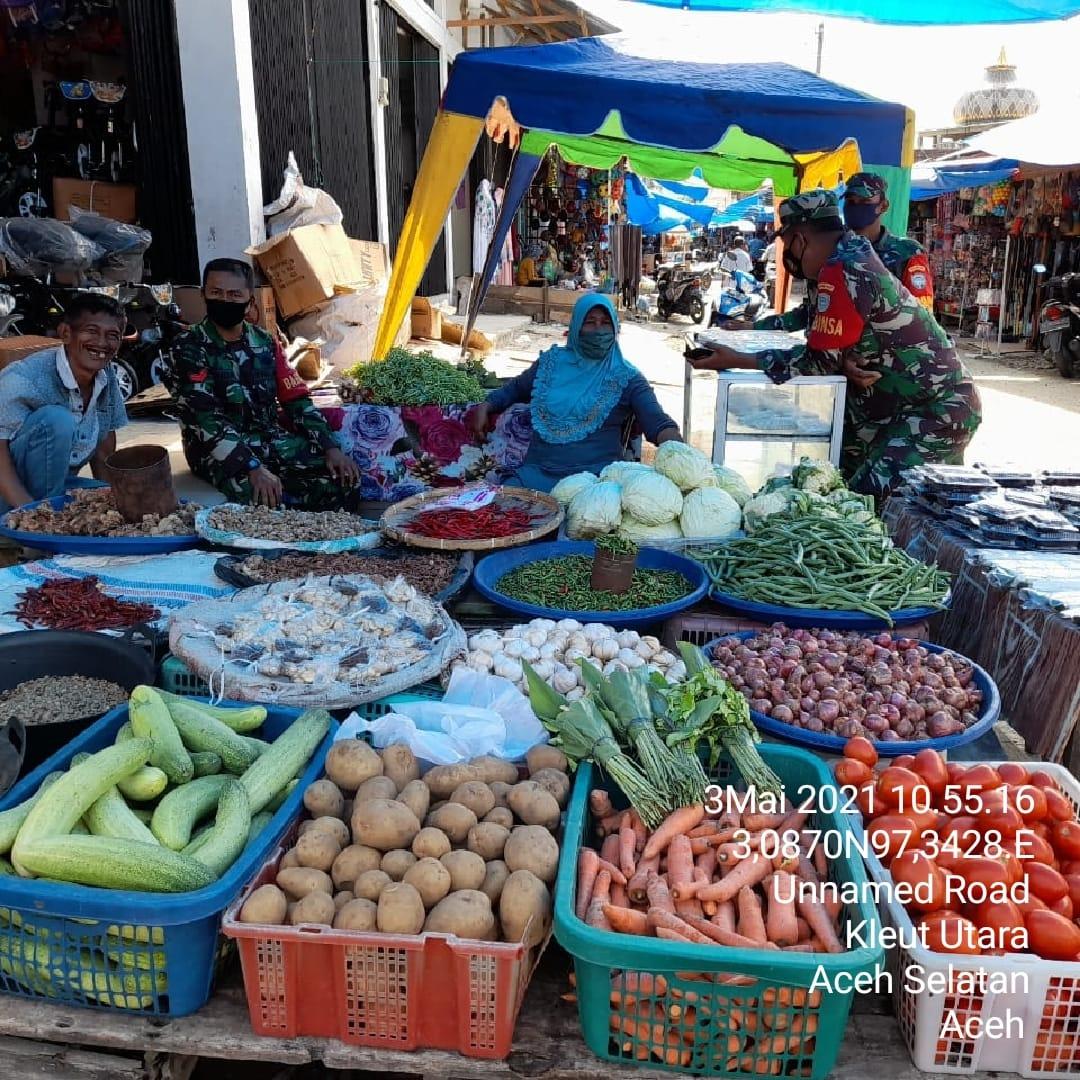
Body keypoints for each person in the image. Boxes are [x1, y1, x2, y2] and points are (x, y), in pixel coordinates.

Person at [688, 190, 981, 499]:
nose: (788, 257)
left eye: (786, 245)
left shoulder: (845, 266)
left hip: (936, 410)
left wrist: (738, 358)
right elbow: (832, 343)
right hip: (893, 406)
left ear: (800, 240)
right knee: (843, 485)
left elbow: (818, 361)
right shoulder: (842, 257)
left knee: (868, 503)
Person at [171, 257, 360, 509]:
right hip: (218, 451)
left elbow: (296, 400)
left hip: (269, 440)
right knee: (261, 498)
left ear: (250, 301)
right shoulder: (188, 347)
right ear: (203, 295)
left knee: (345, 480)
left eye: (234, 294)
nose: (225, 300)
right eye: (216, 292)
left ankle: (322, 541)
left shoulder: (265, 342)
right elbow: (206, 421)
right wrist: (251, 466)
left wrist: (330, 446)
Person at [470, 293, 682, 492]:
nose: (599, 330)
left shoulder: (626, 377)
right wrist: (487, 405)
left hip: (595, 483)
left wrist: (683, 457)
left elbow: (658, 423)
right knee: (500, 513)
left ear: (616, 329)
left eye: (606, 323)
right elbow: (515, 388)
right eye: (590, 322)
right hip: (536, 475)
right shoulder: (550, 364)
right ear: (576, 327)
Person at [0, 293, 128, 512]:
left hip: (58, 487)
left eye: (112, 335)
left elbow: (104, 447)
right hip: (10, 495)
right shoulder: (24, 378)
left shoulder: (105, 376)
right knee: (57, 420)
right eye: (91, 331)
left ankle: (54, 512)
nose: (101, 343)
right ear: (66, 333)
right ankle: (36, 529)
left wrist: (113, 502)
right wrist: (31, 514)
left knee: (120, 497)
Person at [844, 172, 935, 312]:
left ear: (883, 206)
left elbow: (922, 314)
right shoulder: (835, 248)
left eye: (864, 201)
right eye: (851, 202)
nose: (856, 207)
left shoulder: (907, 252)